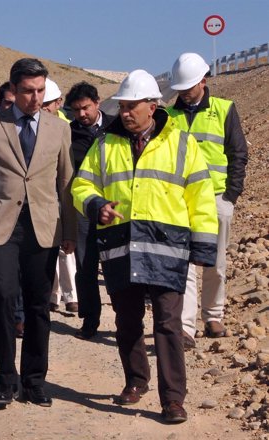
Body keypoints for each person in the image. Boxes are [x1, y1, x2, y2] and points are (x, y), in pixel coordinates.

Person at [71, 69, 218, 424]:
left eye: (132, 105)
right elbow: (81, 186)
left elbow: (201, 198)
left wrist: (204, 249)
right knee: (127, 321)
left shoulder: (182, 144)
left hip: (168, 248)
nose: (125, 112)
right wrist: (95, 206)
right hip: (122, 245)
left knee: (168, 324)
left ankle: (173, 400)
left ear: (152, 106)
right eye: (122, 105)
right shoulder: (105, 144)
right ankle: (136, 381)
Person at [0, 58, 75, 408]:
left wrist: (70, 231)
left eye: (40, 90)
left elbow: (66, 184)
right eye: (28, 91)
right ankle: (6, 379)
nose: (35, 97)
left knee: (39, 305)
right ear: (13, 90)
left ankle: (35, 381)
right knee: (5, 298)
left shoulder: (59, 129)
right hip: (0, 227)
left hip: (44, 227)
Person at [167, 52, 248, 349]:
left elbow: (238, 153)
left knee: (215, 262)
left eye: (188, 87)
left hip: (216, 198)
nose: (184, 93)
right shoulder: (169, 115)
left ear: (203, 80)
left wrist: (230, 196)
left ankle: (213, 315)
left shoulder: (224, 110)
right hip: (180, 200)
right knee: (184, 263)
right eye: (180, 89)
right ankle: (185, 327)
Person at [64, 81, 117, 340]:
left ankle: (126, 320)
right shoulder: (69, 134)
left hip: (116, 209)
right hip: (84, 210)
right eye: (76, 110)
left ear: (97, 102)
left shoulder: (116, 127)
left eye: (85, 107)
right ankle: (89, 320)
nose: (81, 114)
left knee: (117, 267)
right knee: (85, 268)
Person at [42, 78, 78, 315]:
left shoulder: (67, 127)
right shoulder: (36, 127)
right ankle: (52, 294)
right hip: (45, 195)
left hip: (63, 193)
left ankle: (71, 295)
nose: (44, 108)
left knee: (67, 250)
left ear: (58, 103)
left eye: (48, 104)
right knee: (48, 249)